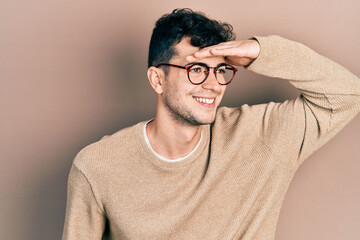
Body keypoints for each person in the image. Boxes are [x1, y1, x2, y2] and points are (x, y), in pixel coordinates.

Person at [62, 8, 360, 240]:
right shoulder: (97, 167)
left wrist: (260, 51)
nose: (213, 84)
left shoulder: (262, 137)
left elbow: (347, 93)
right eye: (196, 69)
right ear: (157, 79)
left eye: (221, 71)